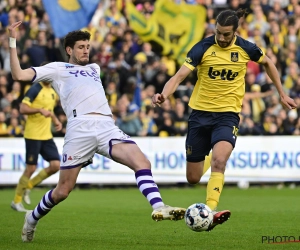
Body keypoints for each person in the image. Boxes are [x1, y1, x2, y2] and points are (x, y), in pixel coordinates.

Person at [8, 21, 186, 243]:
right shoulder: (57, 69)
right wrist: (13, 41)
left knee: (142, 162)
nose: (86, 50)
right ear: (70, 50)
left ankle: (159, 207)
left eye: (88, 46)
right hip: (79, 129)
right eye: (81, 47)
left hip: (105, 127)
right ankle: (32, 219)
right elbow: (18, 75)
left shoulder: (95, 69)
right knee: (62, 191)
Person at [152, 8, 297, 232]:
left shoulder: (247, 48)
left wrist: (282, 93)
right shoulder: (202, 48)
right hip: (199, 115)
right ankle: (207, 161)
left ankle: (209, 211)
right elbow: (179, 75)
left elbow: (268, 64)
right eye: (218, 33)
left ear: (235, 32)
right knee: (193, 177)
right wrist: (164, 94)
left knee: (221, 161)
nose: (221, 38)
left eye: (226, 35)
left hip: (227, 115)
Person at [11, 63, 62, 212]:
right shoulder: (35, 88)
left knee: (55, 165)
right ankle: (16, 201)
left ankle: (29, 186)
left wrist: (55, 120)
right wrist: (39, 110)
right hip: (33, 134)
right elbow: (22, 108)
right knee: (31, 168)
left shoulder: (52, 91)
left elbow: (49, 111)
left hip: (46, 135)